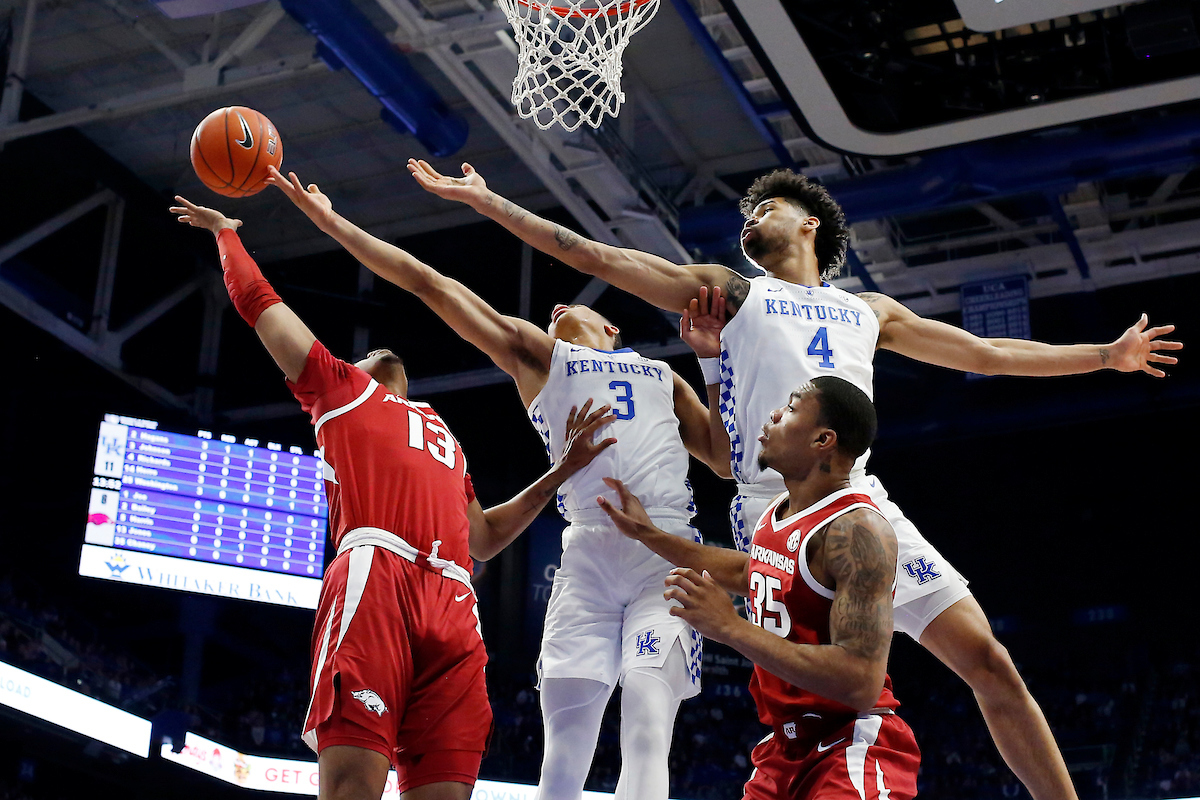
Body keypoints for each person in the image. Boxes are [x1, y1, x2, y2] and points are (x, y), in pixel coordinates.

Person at [406, 159, 1183, 800]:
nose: (749, 219)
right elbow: (597, 259)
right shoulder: (732, 294)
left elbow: (983, 353)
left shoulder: (868, 309)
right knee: (814, 706)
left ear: (809, 224)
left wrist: (1103, 357)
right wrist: (486, 201)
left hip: (861, 501)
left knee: (990, 663)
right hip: (772, 512)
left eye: (765, 206)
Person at [264, 165, 729, 800]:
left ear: (613, 330)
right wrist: (332, 222)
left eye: (574, 307)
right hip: (589, 553)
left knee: (647, 724)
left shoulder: (663, 377)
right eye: (552, 308)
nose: (559, 306)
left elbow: (725, 461)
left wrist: (708, 359)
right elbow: (430, 285)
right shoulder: (540, 356)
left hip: (664, 550)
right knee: (563, 754)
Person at [169, 195, 618, 800]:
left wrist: (563, 470)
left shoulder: (445, 435)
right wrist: (226, 235)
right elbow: (260, 305)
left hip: (455, 597)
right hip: (378, 576)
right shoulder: (340, 393)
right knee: (354, 787)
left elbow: (481, 537)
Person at [600, 376, 919, 799]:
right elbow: (754, 571)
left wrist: (730, 628)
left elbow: (860, 682)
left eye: (790, 409)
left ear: (823, 439)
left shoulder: (858, 530)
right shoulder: (778, 513)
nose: (773, 415)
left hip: (851, 743)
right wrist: (651, 535)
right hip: (782, 749)